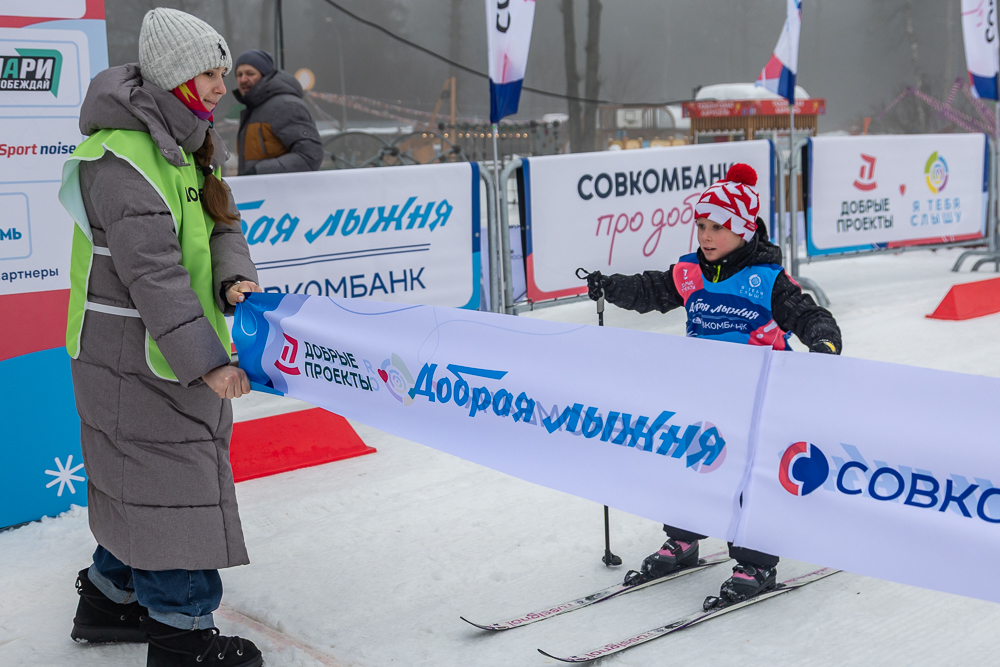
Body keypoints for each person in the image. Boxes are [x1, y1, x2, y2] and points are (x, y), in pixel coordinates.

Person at [59, 8, 264, 666]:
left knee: (138, 482)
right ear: (175, 75)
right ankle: (182, 636)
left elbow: (221, 223)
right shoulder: (124, 160)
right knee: (172, 487)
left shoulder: (190, 139)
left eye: (223, 73)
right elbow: (155, 275)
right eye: (208, 72)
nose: (218, 85)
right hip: (131, 357)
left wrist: (235, 281)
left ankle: (110, 598)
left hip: (162, 349)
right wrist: (209, 363)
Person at [586, 163, 842, 607]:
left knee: (750, 477)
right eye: (701, 224)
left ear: (743, 230)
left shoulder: (767, 279)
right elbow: (651, 290)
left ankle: (756, 560)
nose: (705, 235)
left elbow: (806, 313)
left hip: (762, 396)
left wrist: (822, 340)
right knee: (695, 462)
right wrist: (612, 287)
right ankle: (683, 540)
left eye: (718, 227)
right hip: (707, 390)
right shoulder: (690, 273)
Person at [232, 48, 323, 175]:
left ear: (265, 75)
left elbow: (310, 156)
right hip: (261, 192)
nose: (243, 80)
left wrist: (258, 171)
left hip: (283, 193)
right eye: (239, 74)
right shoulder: (253, 110)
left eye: (250, 74)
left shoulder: (285, 106)